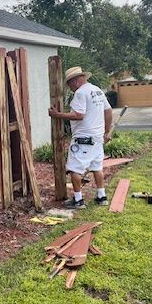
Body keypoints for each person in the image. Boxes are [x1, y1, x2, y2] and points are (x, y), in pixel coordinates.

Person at [48, 66, 113, 209]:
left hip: (83, 139)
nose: (70, 87)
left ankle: (78, 200)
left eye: (70, 83)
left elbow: (78, 115)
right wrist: (107, 132)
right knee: (97, 167)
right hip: (96, 137)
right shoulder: (97, 90)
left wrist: (57, 115)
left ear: (76, 80)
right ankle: (101, 197)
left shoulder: (80, 93)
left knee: (74, 169)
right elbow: (108, 111)